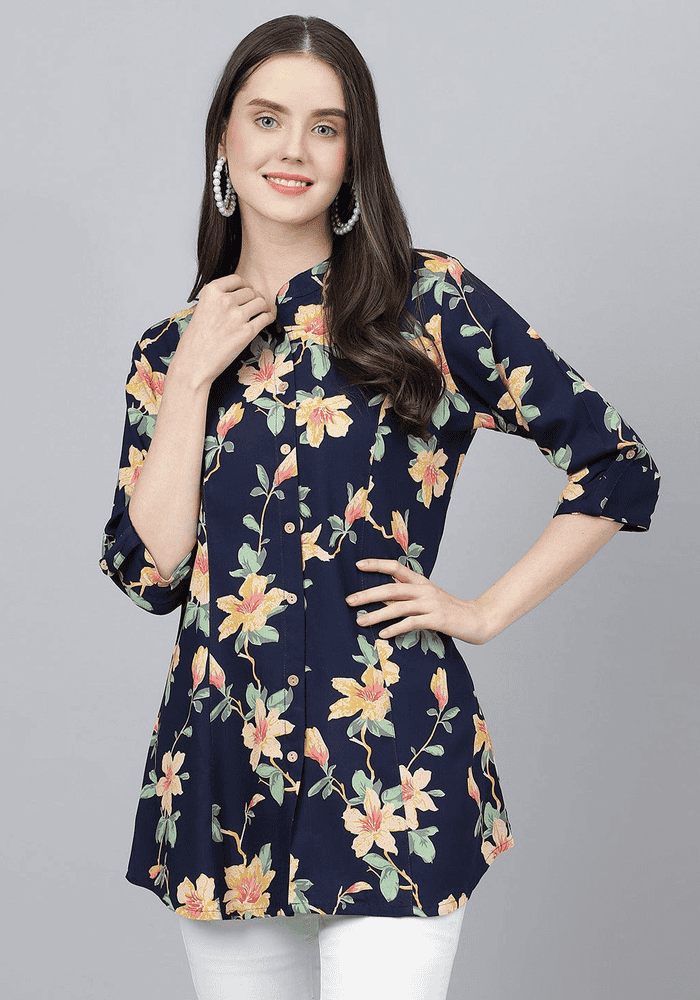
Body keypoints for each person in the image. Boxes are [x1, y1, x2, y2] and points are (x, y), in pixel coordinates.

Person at [98, 13, 661, 1000]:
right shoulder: (166, 350)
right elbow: (150, 573)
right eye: (267, 119)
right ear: (224, 137)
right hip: (225, 775)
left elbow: (617, 464)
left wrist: (480, 611)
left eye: (325, 126)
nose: (293, 149)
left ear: (354, 153)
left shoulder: (427, 303)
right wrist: (189, 380)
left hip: (390, 771)